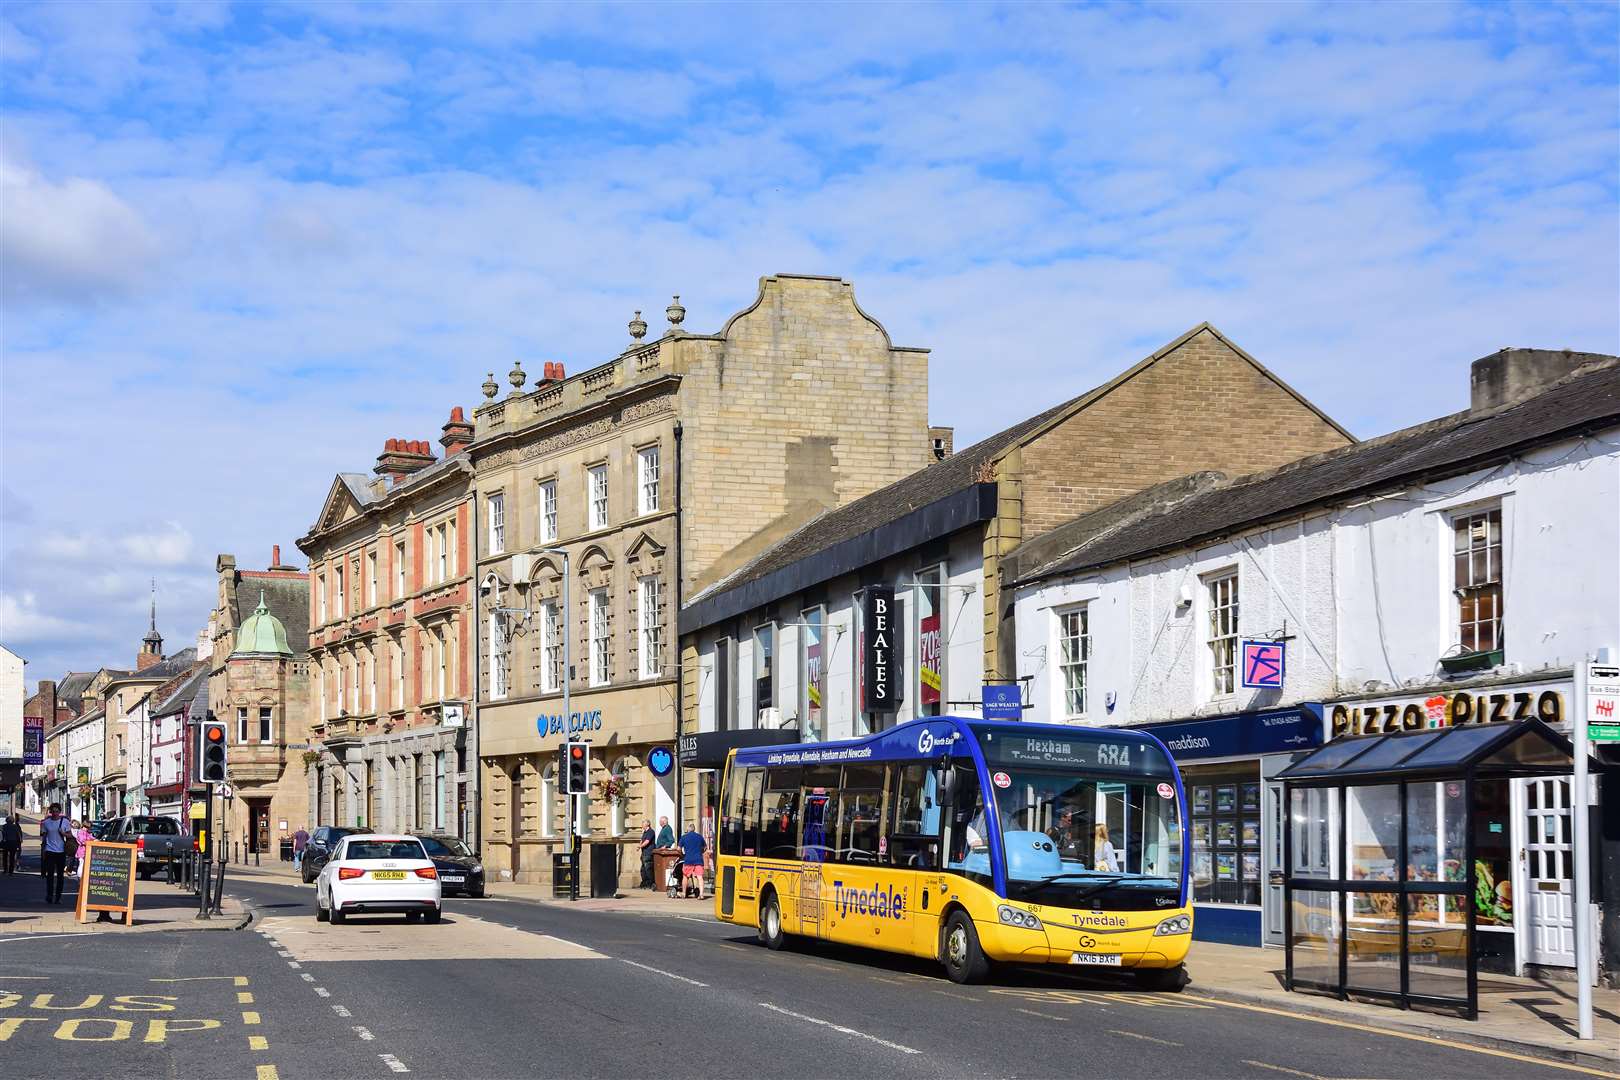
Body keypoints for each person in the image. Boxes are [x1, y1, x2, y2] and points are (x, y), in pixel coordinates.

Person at [39, 804, 71, 903]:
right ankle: (49, 895)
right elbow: (44, 838)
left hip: (61, 851)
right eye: (53, 811)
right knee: (50, 875)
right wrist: (43, 851)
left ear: (60, 812)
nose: (55, 813)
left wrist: (64, 833)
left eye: (57, 811)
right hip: (50, 851)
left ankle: (58, 897)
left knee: (60, 876)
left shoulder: (65, 822)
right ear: (50, 812)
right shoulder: (46, 823)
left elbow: (70, 835)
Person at [677, 823, 706, 899]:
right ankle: (701, 894)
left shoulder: (684, 837)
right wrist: (701, 852)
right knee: (700, 877)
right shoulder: (700, 837)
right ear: (694, 829)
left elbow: (678, 849)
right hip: (698, 859)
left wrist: (682, 855)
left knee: (685, 876)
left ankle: (683, 893)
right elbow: (705, 847)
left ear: (687, 829)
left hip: (688, 860)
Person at [637, 820, 655, 889]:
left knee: (648, 869)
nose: (642, 825)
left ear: (647, 824)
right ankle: (645, 883)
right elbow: (642, 840)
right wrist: (640, 845)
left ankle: (651, 883)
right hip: (644, 853)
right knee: (643, 869)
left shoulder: (651, 832)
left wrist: (640, 846)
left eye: (643, 824)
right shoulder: (644, 832)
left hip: (648, 852)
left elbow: (647, 841)